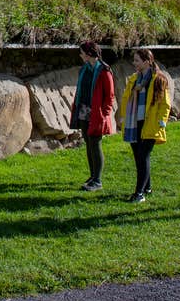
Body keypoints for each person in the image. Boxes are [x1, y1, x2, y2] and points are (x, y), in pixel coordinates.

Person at [118, 48, 171, 203]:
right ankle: (147, 187)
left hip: (150, 123)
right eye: (134, 60)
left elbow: (165, 103)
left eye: (137, 61)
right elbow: (126, 98)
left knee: (143, 156)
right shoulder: (134, 79)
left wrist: (162, 122)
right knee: (138, 157)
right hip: (134, 122)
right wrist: (123, 116)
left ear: (147, 62)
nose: (134, 63)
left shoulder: (158, 79)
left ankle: (139, 194)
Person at [70, 41, 116, 191]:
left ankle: (97, 180)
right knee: (88, 144)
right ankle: (92, 175)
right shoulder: (84, 69)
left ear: (89, 54)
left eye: (82, 52)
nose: (80, 55)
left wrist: (104, 115)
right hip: (83, 110)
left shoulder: (104, 71)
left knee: (95, 145)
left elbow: (109, 96)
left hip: (97, 113)